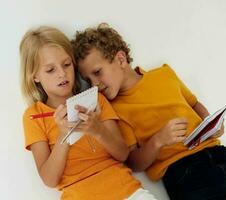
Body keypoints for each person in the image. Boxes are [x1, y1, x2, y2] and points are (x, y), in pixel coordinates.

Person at [71, 23, 226, 200]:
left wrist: (212, 125)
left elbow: (194, 103)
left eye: (97, 72)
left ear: (121, 59)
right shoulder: (114, 109)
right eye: (88, 80)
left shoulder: (164, 74)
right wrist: (158, 141)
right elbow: (133, 162)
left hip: (220, 152)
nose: (94, 84)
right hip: (183, 172)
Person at [19, 26, 157, 200]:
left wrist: (97, 130)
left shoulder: (96, 99)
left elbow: (123, 154)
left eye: (66, 64)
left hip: (127, 191)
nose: (62, 74)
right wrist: (64, 135)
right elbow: (49, 179)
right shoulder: (33, 116)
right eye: (50, 70)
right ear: (35, 77)